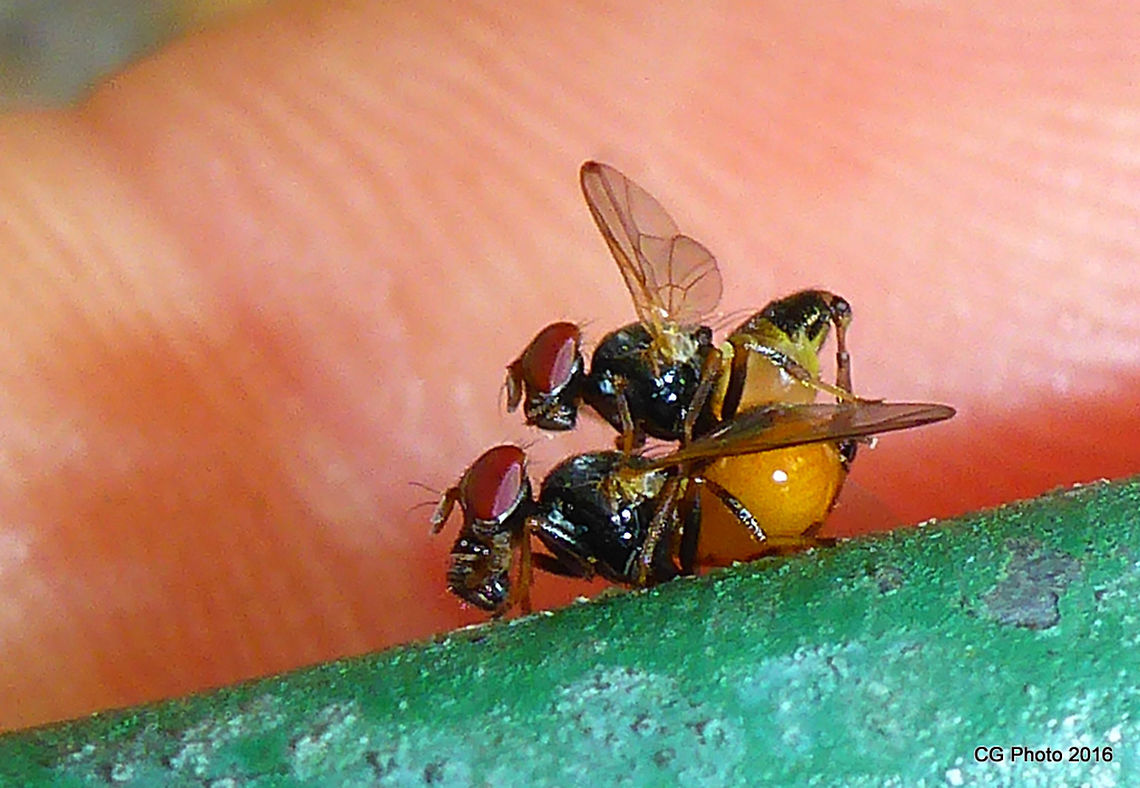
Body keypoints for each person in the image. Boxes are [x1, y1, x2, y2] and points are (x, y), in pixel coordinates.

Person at [1, 0, 1136, 731]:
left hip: (744, 433)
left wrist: (747, 438)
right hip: (731, 457)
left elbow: (676, 406)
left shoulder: (638, 409)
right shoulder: (607, 445)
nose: (548, 408)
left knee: (729, 427)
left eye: (549, 384)